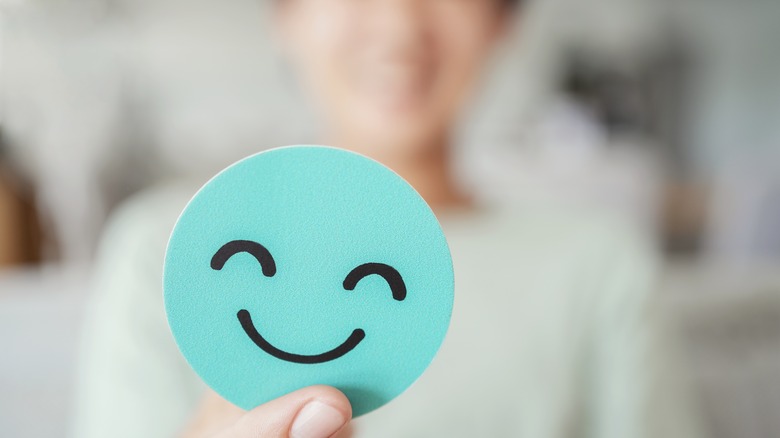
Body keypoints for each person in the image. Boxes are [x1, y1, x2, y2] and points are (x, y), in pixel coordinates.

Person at [72, 0, 704, 437]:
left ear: (502, 20)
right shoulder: (166, 248)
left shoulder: (597, 264)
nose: (400, 26)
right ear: (284, 13)